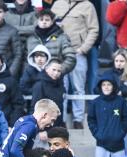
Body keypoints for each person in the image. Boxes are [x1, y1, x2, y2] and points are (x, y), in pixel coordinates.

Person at [51, 0, 99, 129]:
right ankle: (62, 119)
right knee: (61, 87)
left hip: (78, 53)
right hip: (60, 54)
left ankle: (78, 119)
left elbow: (94, 29)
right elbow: (50, 26)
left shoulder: (88, 5)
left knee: (79, 88)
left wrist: (83, 49)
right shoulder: (57, 4)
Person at [88, 73, 127, 157]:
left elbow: (126, 118)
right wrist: (98, 134)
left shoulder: (121, 101)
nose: (106, 87)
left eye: (109, 84)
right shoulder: (95, 102)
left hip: (118, 145)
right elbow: (91, 120)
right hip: (101, 145)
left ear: (113, 86)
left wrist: (121, 133)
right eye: (104, 85)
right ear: (100, 86)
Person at [24, 8, 76, 77]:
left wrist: (58, 71)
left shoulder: (62, 37)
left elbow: (71, 57)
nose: (44, 22)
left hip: (54, 78)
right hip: (34, 78)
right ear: (37, 21)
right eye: (41, 19)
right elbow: (25, 60)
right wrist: (29, 73)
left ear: (52, 22)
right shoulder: (30, 39)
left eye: (47, 20)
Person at [31, 59, 65, 127]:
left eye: (59, 71)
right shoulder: (39, 85)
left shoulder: (60, 84)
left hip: (57, 125)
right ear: (46, 69)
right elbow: (35, 108)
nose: (56, 73)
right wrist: (40, 130)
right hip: (44, 128)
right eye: (54, 70)